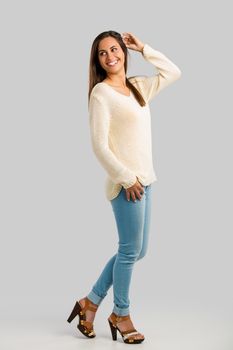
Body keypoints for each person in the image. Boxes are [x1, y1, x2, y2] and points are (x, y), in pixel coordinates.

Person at [67, 30, 181, 344]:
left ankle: (89, 302)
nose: (110, 56)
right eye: (102, 53)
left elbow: (173, 72)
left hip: (146, 180)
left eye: (114, 49)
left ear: (123, 52)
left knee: (136, 251)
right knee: (130, 251)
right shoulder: (101, 93)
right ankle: (120, 313)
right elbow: (98, 146)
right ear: (97, 60)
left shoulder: (138, 87)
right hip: (126, 184)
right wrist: (125, 177)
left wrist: (144, 47)